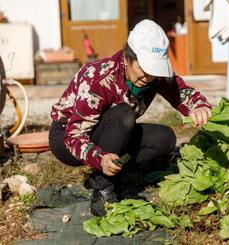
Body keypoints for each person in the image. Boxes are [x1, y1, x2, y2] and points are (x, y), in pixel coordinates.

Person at [48, 19, 212, 216]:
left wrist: (198, 106)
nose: (148, 78)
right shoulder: (99, 77)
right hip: (67, 138)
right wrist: (98, 157)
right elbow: (73, 136)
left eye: (153, 71)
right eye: (143, 69)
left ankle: (110, 169)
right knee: (124, 114)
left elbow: (181, 92)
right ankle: (103, 188)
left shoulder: (154, 75)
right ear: (126, 58)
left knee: (164, 139)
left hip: (113, 132)